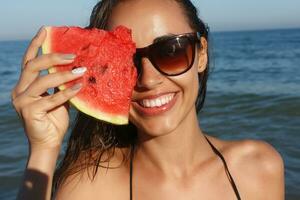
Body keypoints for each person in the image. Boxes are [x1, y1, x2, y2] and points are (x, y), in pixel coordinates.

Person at [12, 0, 285, 199]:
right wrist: (44, 149)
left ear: (201, 54)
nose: (148, 79)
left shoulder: (260, 167)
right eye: (125, 61)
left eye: (170, 51)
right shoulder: (91, 187)